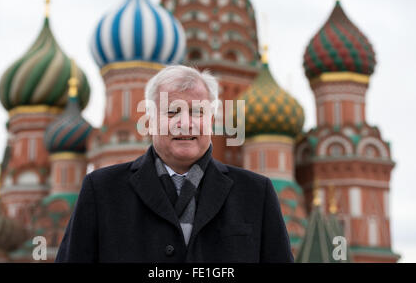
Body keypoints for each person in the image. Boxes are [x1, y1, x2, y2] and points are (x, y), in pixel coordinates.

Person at [55, 65, 293, 263]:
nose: (185, 123)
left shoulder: (254, 194)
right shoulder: (103, 191)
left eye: (197, 112)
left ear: (211, 120)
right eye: (172, 112)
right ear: (149, 120)